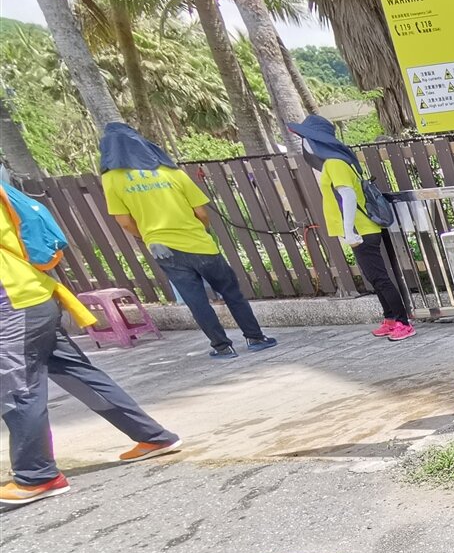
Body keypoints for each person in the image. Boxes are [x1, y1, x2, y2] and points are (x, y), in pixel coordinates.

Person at [1, 183, 180, 509]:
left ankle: (36, 475)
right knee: (78, 374)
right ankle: (153, 436)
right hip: (34, 296)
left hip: (13, 305)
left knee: (18, 389)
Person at [100, 123, 276, 359]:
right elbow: (202, 213)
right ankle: (255, 337)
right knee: (231, 291)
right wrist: (198, 231)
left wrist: (147, 236)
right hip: (199, 243)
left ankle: (222, 347)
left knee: (196, 300)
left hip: (163, 249)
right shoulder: (171, 171)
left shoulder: (112, 179)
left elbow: (124, 221)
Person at [288, 114, 413, 341]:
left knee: (379, 278)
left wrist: (348, 230)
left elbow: (348, 195)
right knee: (374, 278)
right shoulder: (335, 162)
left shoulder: (335, 163)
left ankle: (403, 322)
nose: (303, 143)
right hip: (359, 230)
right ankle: (390, 319)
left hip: (361, 230)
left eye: (305, 138)